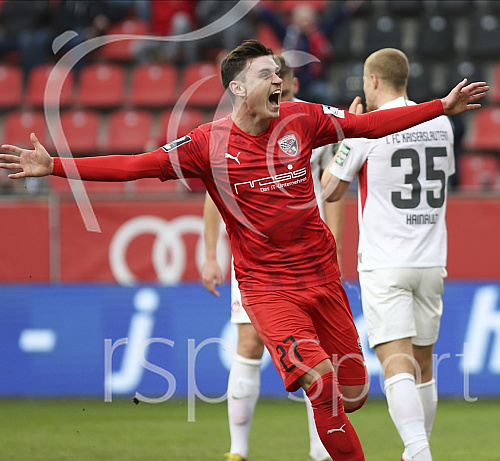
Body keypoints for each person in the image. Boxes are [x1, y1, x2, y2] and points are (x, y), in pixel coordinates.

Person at [0, 40, 488, 460]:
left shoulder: (305, 118)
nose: (279, 78)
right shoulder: (206, 145)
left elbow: (370, 128)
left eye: (279, 72)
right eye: (266, 73)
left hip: (322, 279)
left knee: (354, 392)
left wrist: (440, 107)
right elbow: (134, 166)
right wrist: (56, 166)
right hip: (268, 290)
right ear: (237, 87)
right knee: (323, 387)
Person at [200, 55, 343, 461]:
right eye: (274, 79)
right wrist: (211, 254)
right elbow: (215, 198)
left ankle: (320, 451)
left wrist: (334, 250)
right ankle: (237, 451)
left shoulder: (308, 126)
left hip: (308, 258)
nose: (282, 87)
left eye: (285, 81)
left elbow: (333, 194)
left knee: (315, 355)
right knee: (248, 344)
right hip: (258, 261)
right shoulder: (230, 139)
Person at [321, 48, 456, 461]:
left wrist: (349, 133)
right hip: (431, 259)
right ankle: (418, 451)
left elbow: (329, 189)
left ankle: (418, 451)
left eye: (365, 81)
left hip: (385, 261)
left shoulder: (368, 128)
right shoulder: (442, 122)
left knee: (396, 363)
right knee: (424, 365)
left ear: (374, 81)